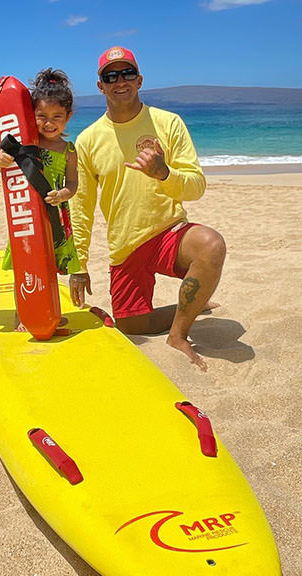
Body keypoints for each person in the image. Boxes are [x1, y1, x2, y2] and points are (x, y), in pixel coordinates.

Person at [69, 47, 225, 370]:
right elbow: (80, 207)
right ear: (100, 85)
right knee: (131, 326)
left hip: (170, 233)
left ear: (140, 80)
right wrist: (78, 263)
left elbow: (197, 186)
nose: (120, 81)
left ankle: (179, 335)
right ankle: (193, 305)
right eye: (111, 76)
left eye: (127, 73)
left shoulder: (168, 123)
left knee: (212, 246)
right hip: (126, 246)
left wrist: (164, 174)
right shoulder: (87, 141)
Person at [0, 68, 81, 329]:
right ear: (30, 115)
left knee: (51, 265)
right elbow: (0, 161)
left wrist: (64, 193)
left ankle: (48, 308)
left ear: (68, 117)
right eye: (41, 116)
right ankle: (23, 313)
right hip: (27, 214)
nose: (49, 123)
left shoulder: (69, 149)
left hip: (55, 215)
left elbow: (73, 183)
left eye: (57, 116)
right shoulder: (26, 144)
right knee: (26, 262)